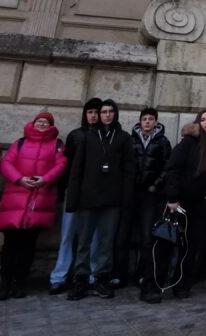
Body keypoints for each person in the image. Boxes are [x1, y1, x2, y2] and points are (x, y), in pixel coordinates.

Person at [65, 99, 135, 300]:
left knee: (106, 241)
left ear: (115, 114)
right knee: (84, 240)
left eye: (110, 111)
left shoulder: (122, 138)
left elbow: (129, 170)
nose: (107, 115)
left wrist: (126, 198)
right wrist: (73, 199)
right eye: (104, 112)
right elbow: (77, 168)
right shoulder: (87, 137)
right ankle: (81, 278)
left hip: (112, 198)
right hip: (87, 197)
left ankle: (102, 278)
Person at [0, 112, 67, 299]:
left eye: (46, 122)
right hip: (16, 198)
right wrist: (20, 179)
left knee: (28, 244)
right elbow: (7, 164)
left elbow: (61, 165)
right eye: (39, 122)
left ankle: (20, 281)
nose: (42, 124)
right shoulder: (20, 142)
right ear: (33, 124)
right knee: (10, 243)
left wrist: (44, 179)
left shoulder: (57, 145)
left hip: (39, 199)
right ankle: (5, 282)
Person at [48, 98, 102, 294]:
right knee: (67, 235)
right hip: (74, 191)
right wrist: (64, 189)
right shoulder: (75, 135)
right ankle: (59, 275)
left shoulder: (106, 135)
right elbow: (66, 164)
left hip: (96, 193)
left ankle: (90, 273)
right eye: (90, 112)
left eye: (96, 112)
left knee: (94, 236)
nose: (93, 116)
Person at [164, 110, 206, 298]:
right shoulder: (187, 142)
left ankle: (183, 282)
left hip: (200, 202)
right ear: (198, 122)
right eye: (204, 120)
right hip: (181, 201)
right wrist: (172, 198)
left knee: (193, 243)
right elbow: (173, 169)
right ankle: (166, 278)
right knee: (176, 242)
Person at [130, 107, 173, 303]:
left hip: (151, 195)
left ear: (156, 122)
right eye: (144, 119)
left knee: (148, 237)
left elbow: (167, 166)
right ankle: (131, 273)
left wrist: (156, 186)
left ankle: (147, 277)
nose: (147, 122)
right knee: (130, 235)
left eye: (151, 119)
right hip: (131, 193)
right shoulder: (131, 140)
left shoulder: (163, 141)